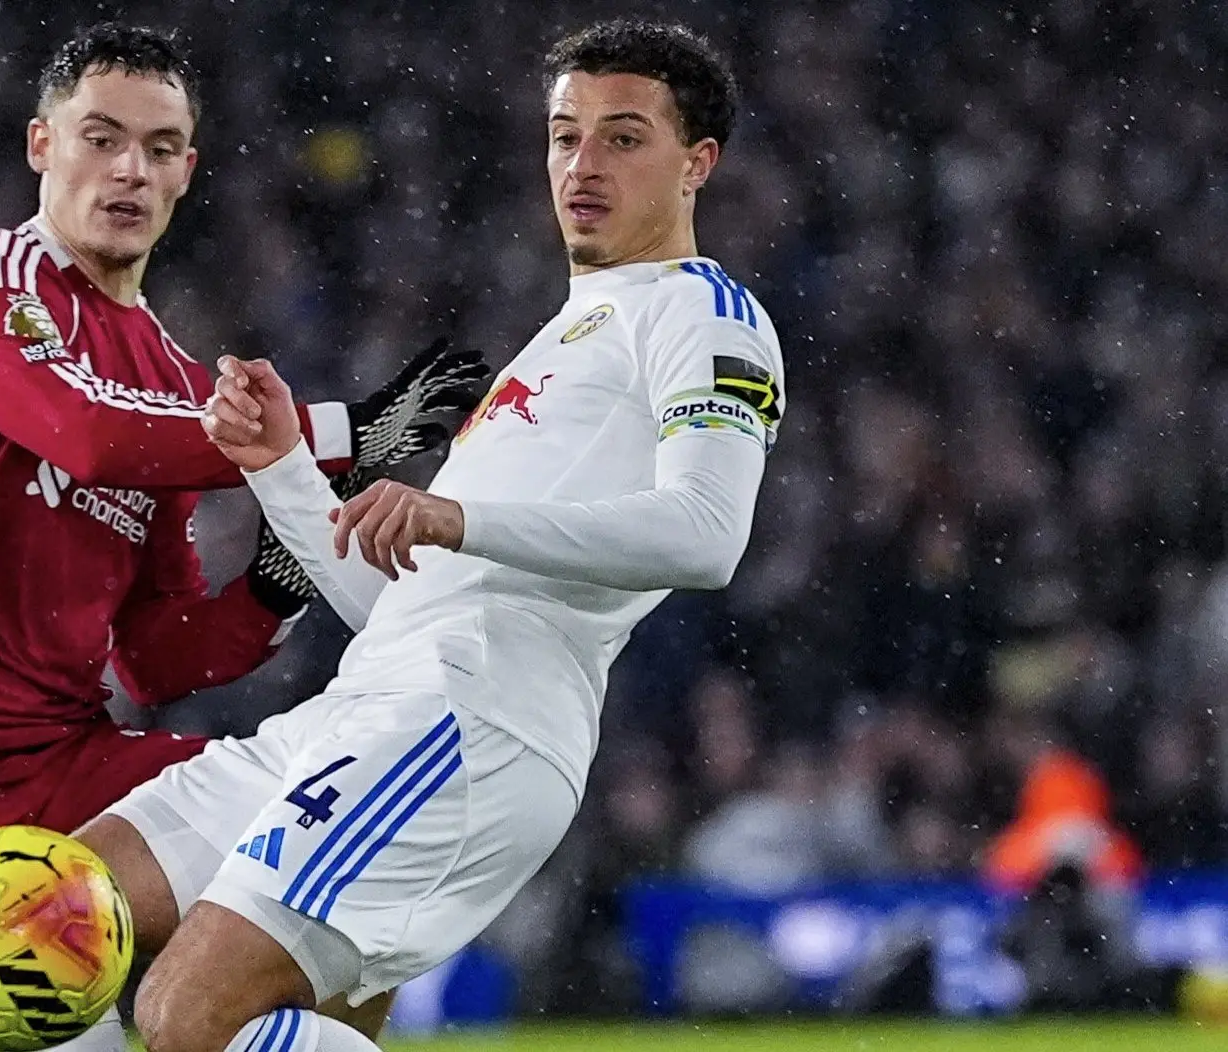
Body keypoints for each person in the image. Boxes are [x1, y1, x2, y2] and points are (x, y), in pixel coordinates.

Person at [0, 23, 486, 1052]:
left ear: (187, 171)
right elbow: (91, 435)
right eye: (101, 138)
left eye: (158, 147)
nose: (130, 169)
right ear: (41, 145)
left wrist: (276, 582)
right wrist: (345, 432)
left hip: (68, 756)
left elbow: (159, 655)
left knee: (324, 859)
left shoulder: (177, 379)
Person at [71, 19, 787, 1052]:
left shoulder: (703, 313)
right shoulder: (564, 333)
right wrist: (280, 466)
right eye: (565, 135)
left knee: (186, 1015)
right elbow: (402, 604)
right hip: (371, 699)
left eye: (624, 138)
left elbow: (708, 536)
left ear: (697, 163)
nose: (583, 164)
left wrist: (459, 515)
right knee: (58, 913)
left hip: (467, 721)